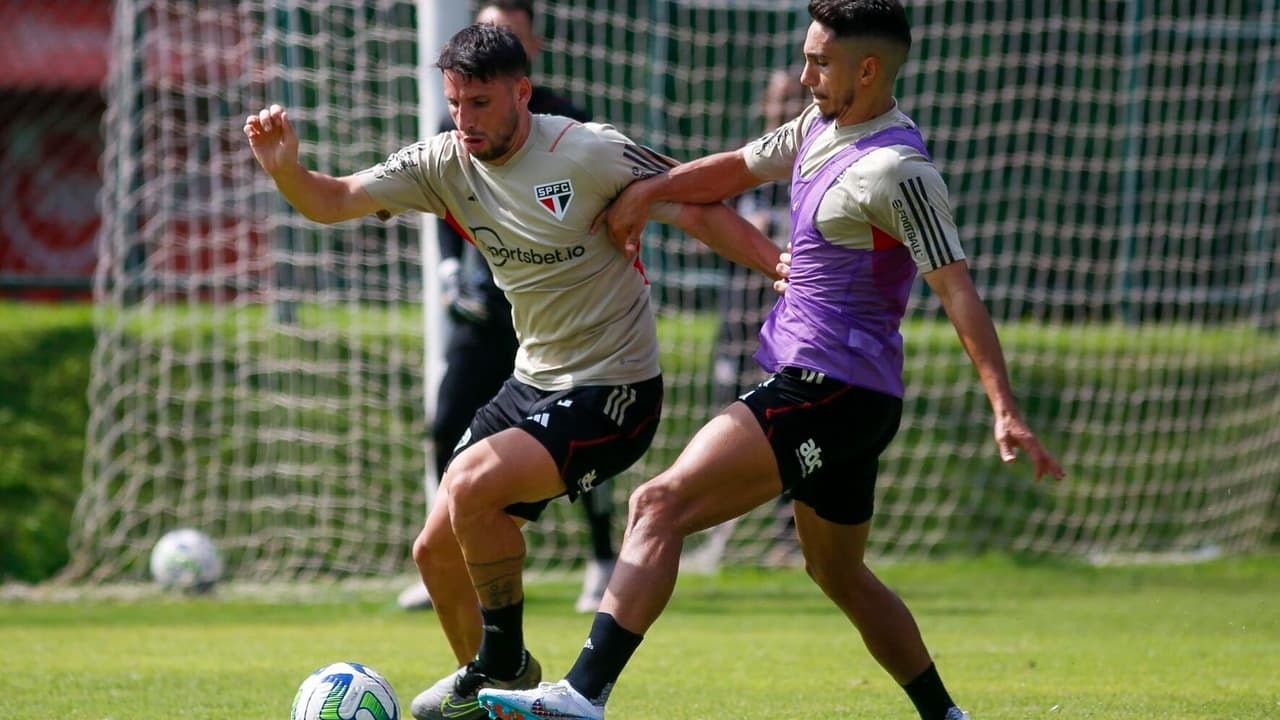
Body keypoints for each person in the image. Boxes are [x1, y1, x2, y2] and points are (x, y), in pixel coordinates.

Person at [477, 2, 1066, 719]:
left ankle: (582, 693)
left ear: (869, 70)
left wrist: (1004, 408)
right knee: (838, 572)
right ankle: (947, 715)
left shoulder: (897, 170)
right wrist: (653, 190)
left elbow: (959, 291)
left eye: (820, 61)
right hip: (845, 394)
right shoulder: (817, 126)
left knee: (656, 504)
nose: (804, 72)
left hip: (829, 387)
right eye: (807, 56)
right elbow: (732, 169)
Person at [243, 23, 782, 720]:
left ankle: (501, 661)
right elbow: (335, 199)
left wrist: (779, 266)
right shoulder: (442, 161)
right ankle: (501, 694)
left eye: (481, 104)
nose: (465, 121)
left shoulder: (584, 150)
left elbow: (696, 205)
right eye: (456, 103)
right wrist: (285, 167)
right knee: (435, 553)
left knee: (468, 486)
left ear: (521, 92)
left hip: (615, 388)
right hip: (534, 382)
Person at [424, 0, 618, 617]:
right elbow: (431, 198)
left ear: (529, 48)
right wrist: (451, 269)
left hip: (560, 318)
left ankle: (601, 558)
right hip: (487, 305)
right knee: (447, 419)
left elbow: (637, 193)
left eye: (506, 32)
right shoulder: (452, 130)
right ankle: (448, 550)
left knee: (579, 439)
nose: (466, 115)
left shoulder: (572, 125)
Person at [684, 66, 809, 573]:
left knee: (792, 422)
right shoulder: (747, 163)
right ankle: (710, 539)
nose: (784, 108)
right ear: (764, 106)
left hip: (789, 316)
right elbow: (710, 225)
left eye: (793, 99)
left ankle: (791, 540)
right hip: (739, 315)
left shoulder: (811, 164)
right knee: (723, 417)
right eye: (777, 99)